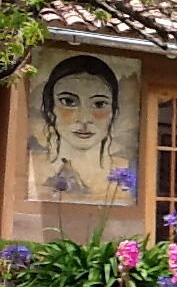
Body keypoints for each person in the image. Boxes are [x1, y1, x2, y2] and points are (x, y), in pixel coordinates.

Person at [31, 55, 130, 201]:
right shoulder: (35, 169)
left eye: (99, 104)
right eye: (68, 102)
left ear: (113, 113)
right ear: (51, 110)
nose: (84, 119)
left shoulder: (125, 168)